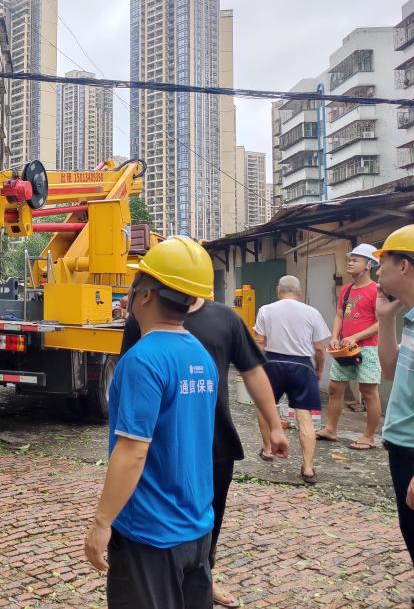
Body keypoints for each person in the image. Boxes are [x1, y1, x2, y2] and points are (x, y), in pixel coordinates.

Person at [121, 292, 288, 608]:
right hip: (160, 446)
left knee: (209, 520)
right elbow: (132, 375)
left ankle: (204, 576)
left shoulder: (225, 318)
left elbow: (252, 371)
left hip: (214, 443)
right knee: (157, 516)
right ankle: (163, 583)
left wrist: (275, 425)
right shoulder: (143, 316)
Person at [84, 237, 219, 609]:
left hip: (149, 533)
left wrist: (102, 522)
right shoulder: (201, 356)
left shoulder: (142, 360)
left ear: (144, 295)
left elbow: (132, 452)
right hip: (197, 528)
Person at [373, 224, 414, 608]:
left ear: (404, 266)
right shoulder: (411, 318)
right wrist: (385, 318)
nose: (377, 269)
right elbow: (389, 369)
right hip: (402, 447)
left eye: (382, 261)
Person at [254, 276, 331, 485]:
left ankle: (268, 449)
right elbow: (319, 348)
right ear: (299, 291)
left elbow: (260, 342)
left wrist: (257, 367)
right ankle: (308, 468)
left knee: (265, 407)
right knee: (304, 417)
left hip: (273, 363)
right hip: (302, 365)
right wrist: (319, 369)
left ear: (278, 290)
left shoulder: (266, 310)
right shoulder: (312, 312)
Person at [316, 244, 383, 450]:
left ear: (368, 265)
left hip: (367, 348)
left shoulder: (376, 290)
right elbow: (339, 316)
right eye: (350, 259)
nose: (350, 263)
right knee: (335, 388)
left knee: (368, 392)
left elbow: (380, 323)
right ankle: (330, 429)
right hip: (343, 349)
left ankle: (369, 436)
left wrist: (355, 336)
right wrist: (335, 336)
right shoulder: (345, 290)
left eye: (355, 260)